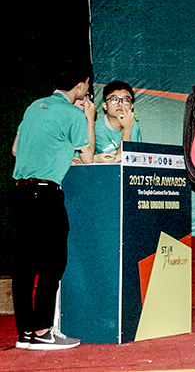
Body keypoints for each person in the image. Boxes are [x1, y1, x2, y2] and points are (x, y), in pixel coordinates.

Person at [11, 59, 96, 350]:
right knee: (53, 263)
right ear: (81, 84)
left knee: (24, 266)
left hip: (21, 193)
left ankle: (26, 333)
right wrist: (89, 118)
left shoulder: (34, 107)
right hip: (46, 196)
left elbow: (16, 149)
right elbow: (88, 157)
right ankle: (44, 330)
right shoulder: (73, 114)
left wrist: (56, 154)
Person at [94, 80, 142, 163]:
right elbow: (117, 160)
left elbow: (136, 158)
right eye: (114, 99)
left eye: (126, 100)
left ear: (131, 106)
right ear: (105, 106)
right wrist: (127, 129)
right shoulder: (97, 128)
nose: (120, 104)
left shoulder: (134, 125)